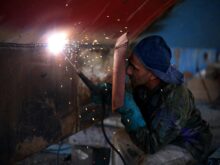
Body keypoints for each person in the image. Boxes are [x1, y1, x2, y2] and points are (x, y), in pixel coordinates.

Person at [93, 35, 212, 165]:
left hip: (187, 144)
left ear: (153, 75)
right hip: (162, 138)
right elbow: (130, 94)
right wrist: (112, 94)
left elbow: (151, 145)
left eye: (135, 68)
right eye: (130, 64)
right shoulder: (143, 85)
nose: (128, 71)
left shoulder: (175, 99)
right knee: (120, 138)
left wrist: (130, 113)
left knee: (150, 162)